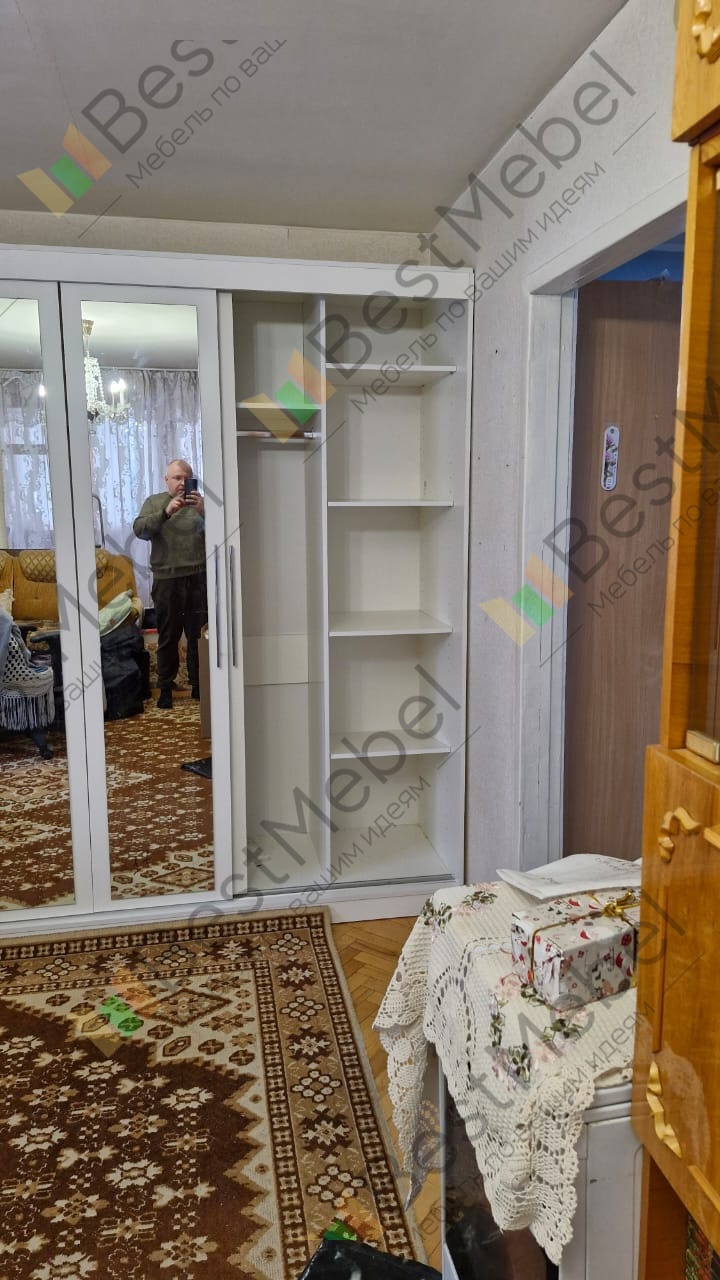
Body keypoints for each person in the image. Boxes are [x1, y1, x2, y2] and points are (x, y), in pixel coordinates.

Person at [133, 459, 207, 709]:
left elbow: (222, 534)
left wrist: (204, 511)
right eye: (176, 478)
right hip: (166, 580)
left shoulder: (201, 504)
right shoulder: (155, 502)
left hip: (198, 577)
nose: (181, 483)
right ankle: (165, 687)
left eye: (186, 478)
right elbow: (140, 531)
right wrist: (165, 513)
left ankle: (199, 685)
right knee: (168, 636)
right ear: (166, 480)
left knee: (198, 636)